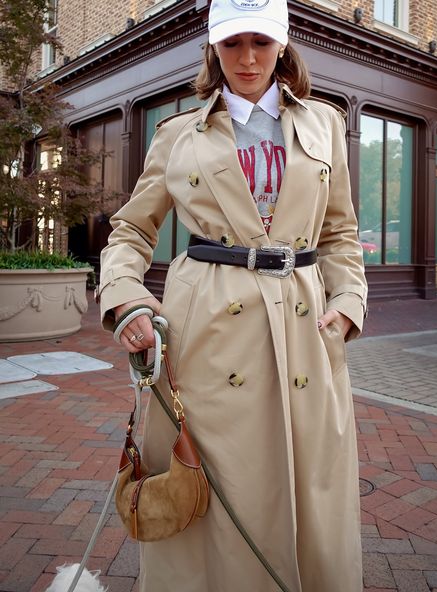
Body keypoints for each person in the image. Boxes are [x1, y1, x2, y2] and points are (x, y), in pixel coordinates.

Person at [98, 0, 368, 590]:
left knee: (309, 484)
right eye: (232, 44)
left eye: (262, 43)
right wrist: (128, 300)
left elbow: (340, 231)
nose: (247, 59)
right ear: (213, 49)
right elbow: (131, 230)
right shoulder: (177, 135)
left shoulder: (324, 123)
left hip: (303, 329)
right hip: (208, 330)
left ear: (283, 46)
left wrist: (348, 305)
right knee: (215, 481)